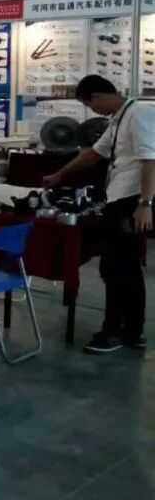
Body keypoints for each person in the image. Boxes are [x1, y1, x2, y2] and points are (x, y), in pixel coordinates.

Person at [43, 74, 153, 354]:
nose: (93, 112)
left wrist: (145, 203)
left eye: (90, 106)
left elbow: (151, 159)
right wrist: (59, 175)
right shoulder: (118, 119)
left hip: (131, 200)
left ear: (96, 96)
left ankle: (117, 331)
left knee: (118, 266)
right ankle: (132, 331)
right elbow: (94, 154)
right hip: (119, 198)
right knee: (121, 266)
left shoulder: (139, 113)